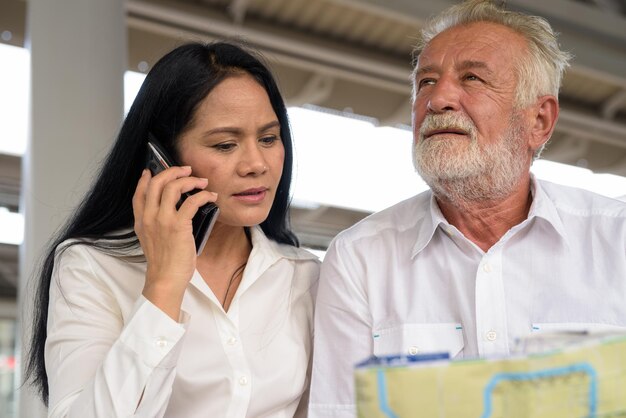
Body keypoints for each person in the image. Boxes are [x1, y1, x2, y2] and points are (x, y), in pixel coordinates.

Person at [309, 0, 626, 415]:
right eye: (425, 82)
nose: (438, 99)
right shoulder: (360, 258)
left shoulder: (616, 240)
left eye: (472, 78)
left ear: (539, 121)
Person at [25, 41, 320, 417]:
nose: (257, 164)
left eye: (268, 138)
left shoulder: (306, 276)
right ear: (162, 157)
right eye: (226, 144)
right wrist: (164, 285)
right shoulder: (91, 266)